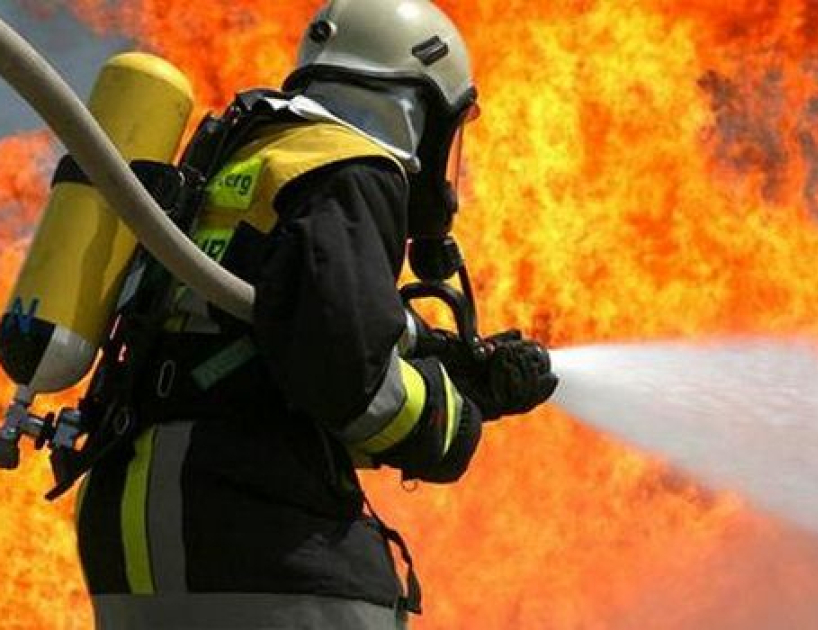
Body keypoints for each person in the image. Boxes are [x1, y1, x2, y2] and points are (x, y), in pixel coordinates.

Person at [75, 0, 558, 628]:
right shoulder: (350, 168)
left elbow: (274, 338)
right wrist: (455, 416)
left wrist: (448, 363)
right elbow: (347, 378)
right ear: (423, 110)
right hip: (257, 536)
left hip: (132, 537)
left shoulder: (248, 156)